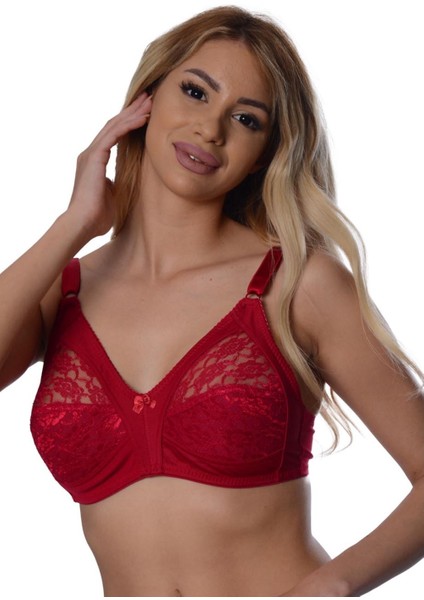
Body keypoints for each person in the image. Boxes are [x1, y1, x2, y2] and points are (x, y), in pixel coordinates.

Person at [1, 5, 423, 597]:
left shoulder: (298, 283)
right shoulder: (62, 289)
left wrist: (329, 587)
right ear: (146, 99)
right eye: (196, 92)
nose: (211, 129)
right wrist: (74, 223)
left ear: (266, 151)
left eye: (246, 119)